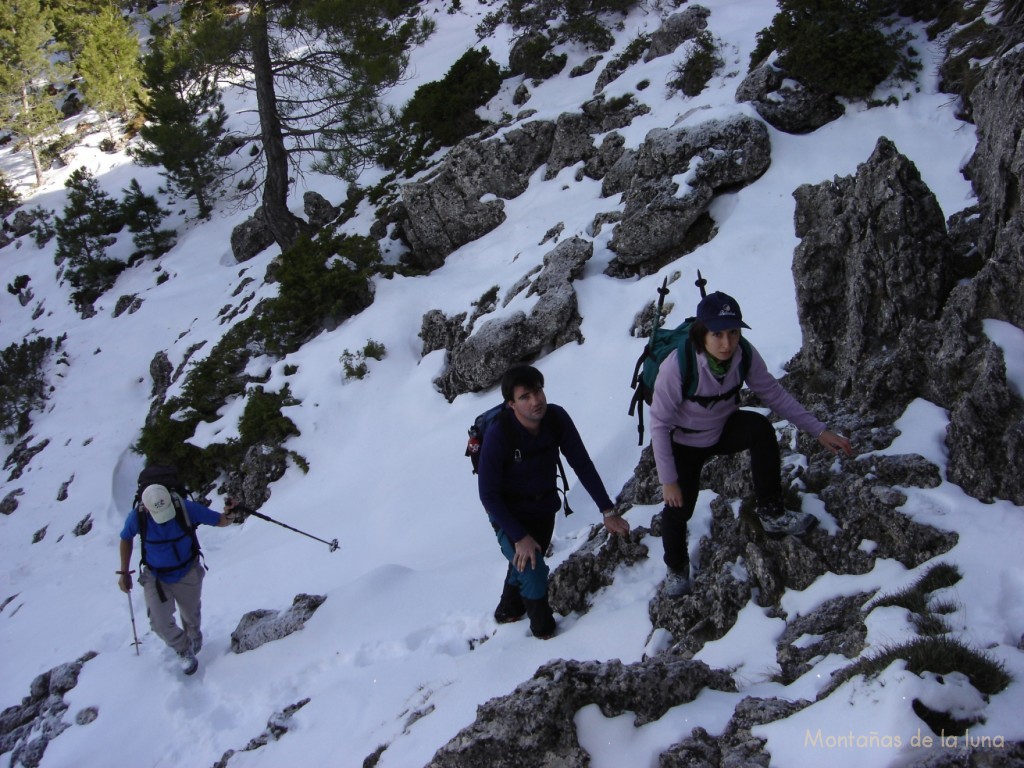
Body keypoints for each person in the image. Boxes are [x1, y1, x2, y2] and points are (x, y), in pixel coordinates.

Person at [649, 290, 852, 597]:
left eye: (733, 332)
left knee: (759, 428)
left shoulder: (743, 354)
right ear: (702, 332)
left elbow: (775, 394)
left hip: (722, 428)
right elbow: (659, 424)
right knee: (678, 507)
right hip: (684, 442)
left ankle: (772, 513)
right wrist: (668, 481)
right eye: (717, 334)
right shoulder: (678, 366)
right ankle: (676, 567)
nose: (726, 343)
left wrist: (819, 431)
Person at [477, 364, 631, 639]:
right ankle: (544, 633)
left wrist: (608, 511)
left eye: (538, 390)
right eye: (525, 396)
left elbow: (582, 464)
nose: (536, 400)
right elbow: (488, 494)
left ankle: (508, 610)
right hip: (508, 515)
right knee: (533, 567)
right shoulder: (500, 433)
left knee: (523, 562)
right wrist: (519, 535)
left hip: (544, 508)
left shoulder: (556, 418)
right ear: (511, 404)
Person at [117, 484, 236, 675]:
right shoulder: (137, 517)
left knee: (191, 616)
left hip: (187, 571)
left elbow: (220, 521)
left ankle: (194, 639)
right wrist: (124, 572)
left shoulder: (184, 508)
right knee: (159, 621)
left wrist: (230, 514)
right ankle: (183, 649)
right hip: (156, 576)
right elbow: (125, 538)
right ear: (147, 508)